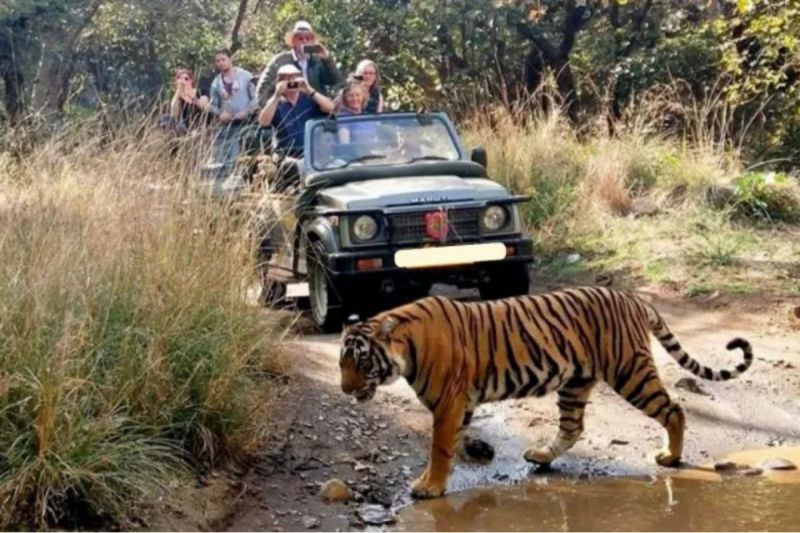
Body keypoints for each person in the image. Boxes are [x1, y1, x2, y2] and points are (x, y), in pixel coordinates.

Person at [255, 20, 341, 106]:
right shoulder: (279, 61)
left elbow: (334, 80)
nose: (304, 41)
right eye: (300, 38)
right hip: (289, 112)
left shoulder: (318, 60)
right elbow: (262, 93)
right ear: (293, 41)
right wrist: (277, 110)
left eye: (308, 38)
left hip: (316, 111)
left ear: (312, 42)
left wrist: (326, 59)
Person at [258, 63, 334, 159]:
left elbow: (330, 108)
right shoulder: (276, 103)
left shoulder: (309, 99)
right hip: (286, 155)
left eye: (294, 78)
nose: (291, 82)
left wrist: (309, 90)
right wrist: (276, 95)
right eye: (287, 79)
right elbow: (263, 122)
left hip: (312, 153)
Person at [207, 48, 257, 172]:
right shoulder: (216, 82)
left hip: (247, 123)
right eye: (217, 61)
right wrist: (220, 113)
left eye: (223, 59)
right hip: (227, 126)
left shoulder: (245, 76)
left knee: (246, 158)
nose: (220, 63)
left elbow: (256, 98)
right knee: (227, 159)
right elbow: (212, 105)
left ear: (230, 59)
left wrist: (247, 111)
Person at [169, 68, 210, 132]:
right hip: (184, 127)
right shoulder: (178, 97)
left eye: (186, 79)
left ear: (191, 81)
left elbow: (204, 106)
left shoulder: (200, 91)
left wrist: (190, 95)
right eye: (180, 78)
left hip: (201, 126)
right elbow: (174, 114)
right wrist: (178, 91)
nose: (183, 81)